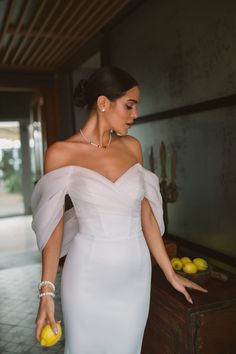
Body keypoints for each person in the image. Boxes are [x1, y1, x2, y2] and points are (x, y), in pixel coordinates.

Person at [31, 66, 208, 353]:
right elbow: (54, 227)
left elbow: (146, 214)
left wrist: (169, 272)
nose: (134, 115)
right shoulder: (61, 153)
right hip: (87, 274)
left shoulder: (132, 147)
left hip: (134, 274)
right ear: (103, 103)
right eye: (129, 105)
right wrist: (46, 293)